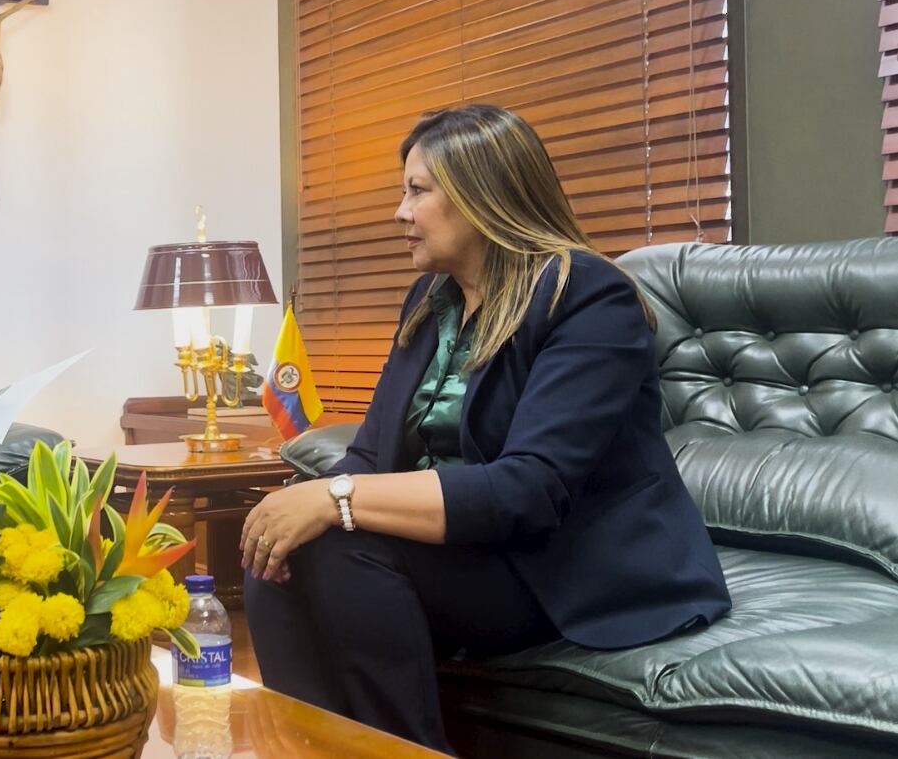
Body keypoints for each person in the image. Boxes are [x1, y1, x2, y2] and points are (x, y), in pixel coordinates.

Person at [240, 106, 731, 753]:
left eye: (417, 190)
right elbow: (367, 452)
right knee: (276, 545)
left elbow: (526, 490)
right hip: (466, 553)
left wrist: (335, 500)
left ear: (479, 196)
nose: (399, 210)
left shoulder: (584, 295)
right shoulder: (428, 300)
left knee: (337, 541)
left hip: (560, 564)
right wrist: (301, 503)